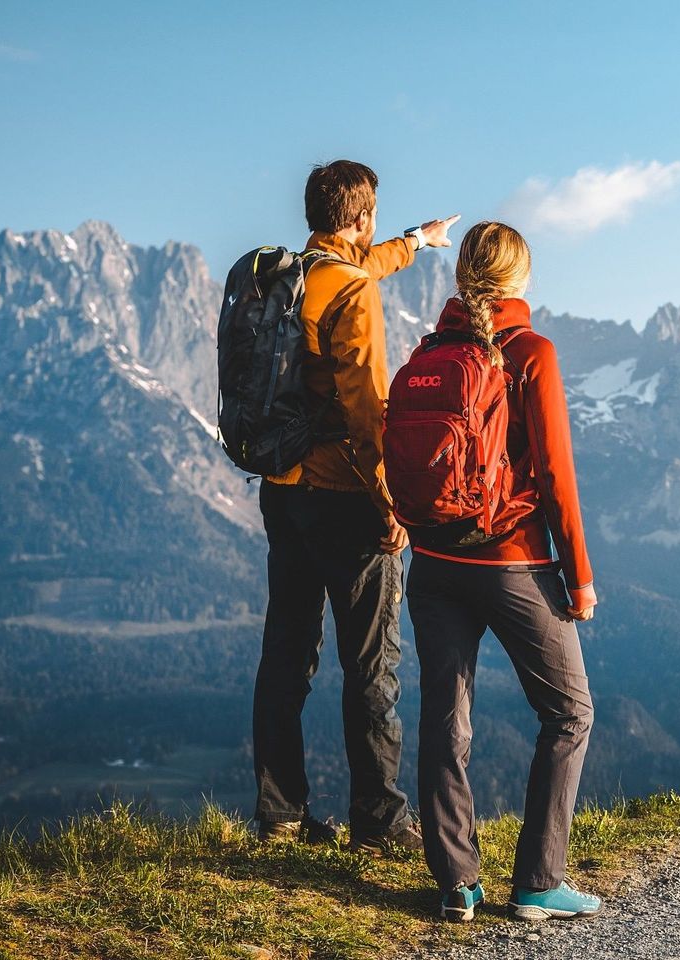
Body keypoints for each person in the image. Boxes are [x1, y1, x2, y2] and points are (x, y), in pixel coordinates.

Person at [252, 159, 458, 853]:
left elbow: (364, 262)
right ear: (361, 217)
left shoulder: (291, 277)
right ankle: (379, 819)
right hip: (345, 495)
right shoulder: (354, 294)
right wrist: (393, 507)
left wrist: (418, 240)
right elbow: (368, 414)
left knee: (287, 652)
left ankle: (280, 815)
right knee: (371, 664)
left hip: (283, 492)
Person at [406, 221, 601, 922]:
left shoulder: (430, 352)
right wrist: (578, 575)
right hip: (512, 565)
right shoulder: (532, 354)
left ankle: (456, 883)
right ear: (521, 280)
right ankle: (538, 880)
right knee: (569, 712)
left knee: (444, 720)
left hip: (429, 563)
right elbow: (556, 474)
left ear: (461, 276)